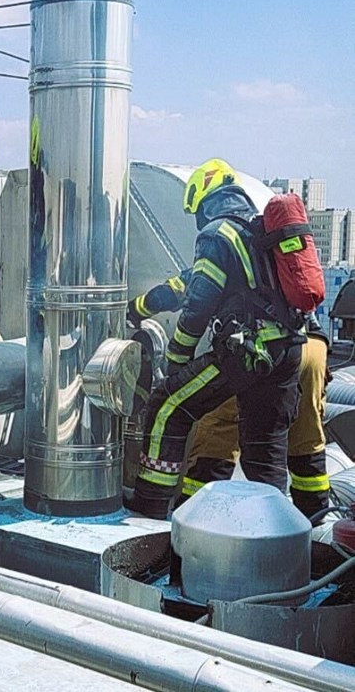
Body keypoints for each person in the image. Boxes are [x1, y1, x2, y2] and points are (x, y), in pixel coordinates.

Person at [126, 159, 307, 520]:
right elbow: (186, 284)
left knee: (168, 405)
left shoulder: (216, 234)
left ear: (203, 200)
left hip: (248, 351)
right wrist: (139, 307)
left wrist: (177, 361)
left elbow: (198, 305)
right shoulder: (255, 229)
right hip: (288, 350)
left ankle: (149, 507)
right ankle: (273, 527)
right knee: (264, 444)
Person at [128, 278, 330, 521]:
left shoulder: (226, 257)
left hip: (258, 348)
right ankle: (314, 515)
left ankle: (196, 515)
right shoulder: (278, 259)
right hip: (310, 346)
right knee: (304, 435)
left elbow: (178, 289)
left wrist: (135, 309)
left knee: (218, 431)